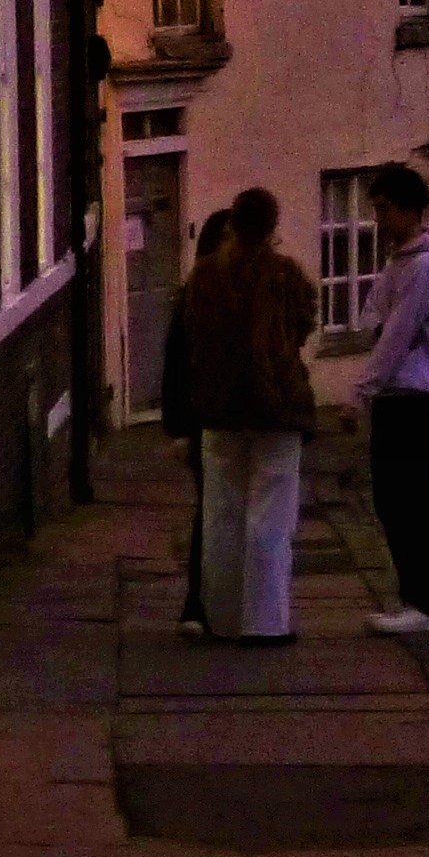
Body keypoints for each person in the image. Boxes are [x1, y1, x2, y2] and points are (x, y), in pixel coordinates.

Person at [192, 183, 316, 643]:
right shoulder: (285, 275)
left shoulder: (203, 276)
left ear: (231, 223)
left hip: (220, 407)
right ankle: (265, 622)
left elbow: (193, 336)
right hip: (276, 407)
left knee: (221, 514)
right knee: (271, 516)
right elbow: (304, 323)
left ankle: (221, 618)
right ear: (272, 227)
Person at [352, 161, 429, 635]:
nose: (378, 219)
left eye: (383, 209)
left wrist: (360, 393)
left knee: (410, 501)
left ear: (409, 210)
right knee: (391, 500)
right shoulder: (400, 262)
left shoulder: (427, 267)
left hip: (412, 396)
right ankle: (414, 596)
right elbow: (369, 317)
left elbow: (394, 334)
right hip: (396, 395)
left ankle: (425, 602)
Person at [157, 206, 243, 638]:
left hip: (237, 420)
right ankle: (199, 604)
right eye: (227, 238)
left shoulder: (244, 293)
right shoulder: (194, 298)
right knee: (212, 512)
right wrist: (179, 429)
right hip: (205, 423)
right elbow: (176, 367)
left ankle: (222, 603)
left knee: (232, 513)